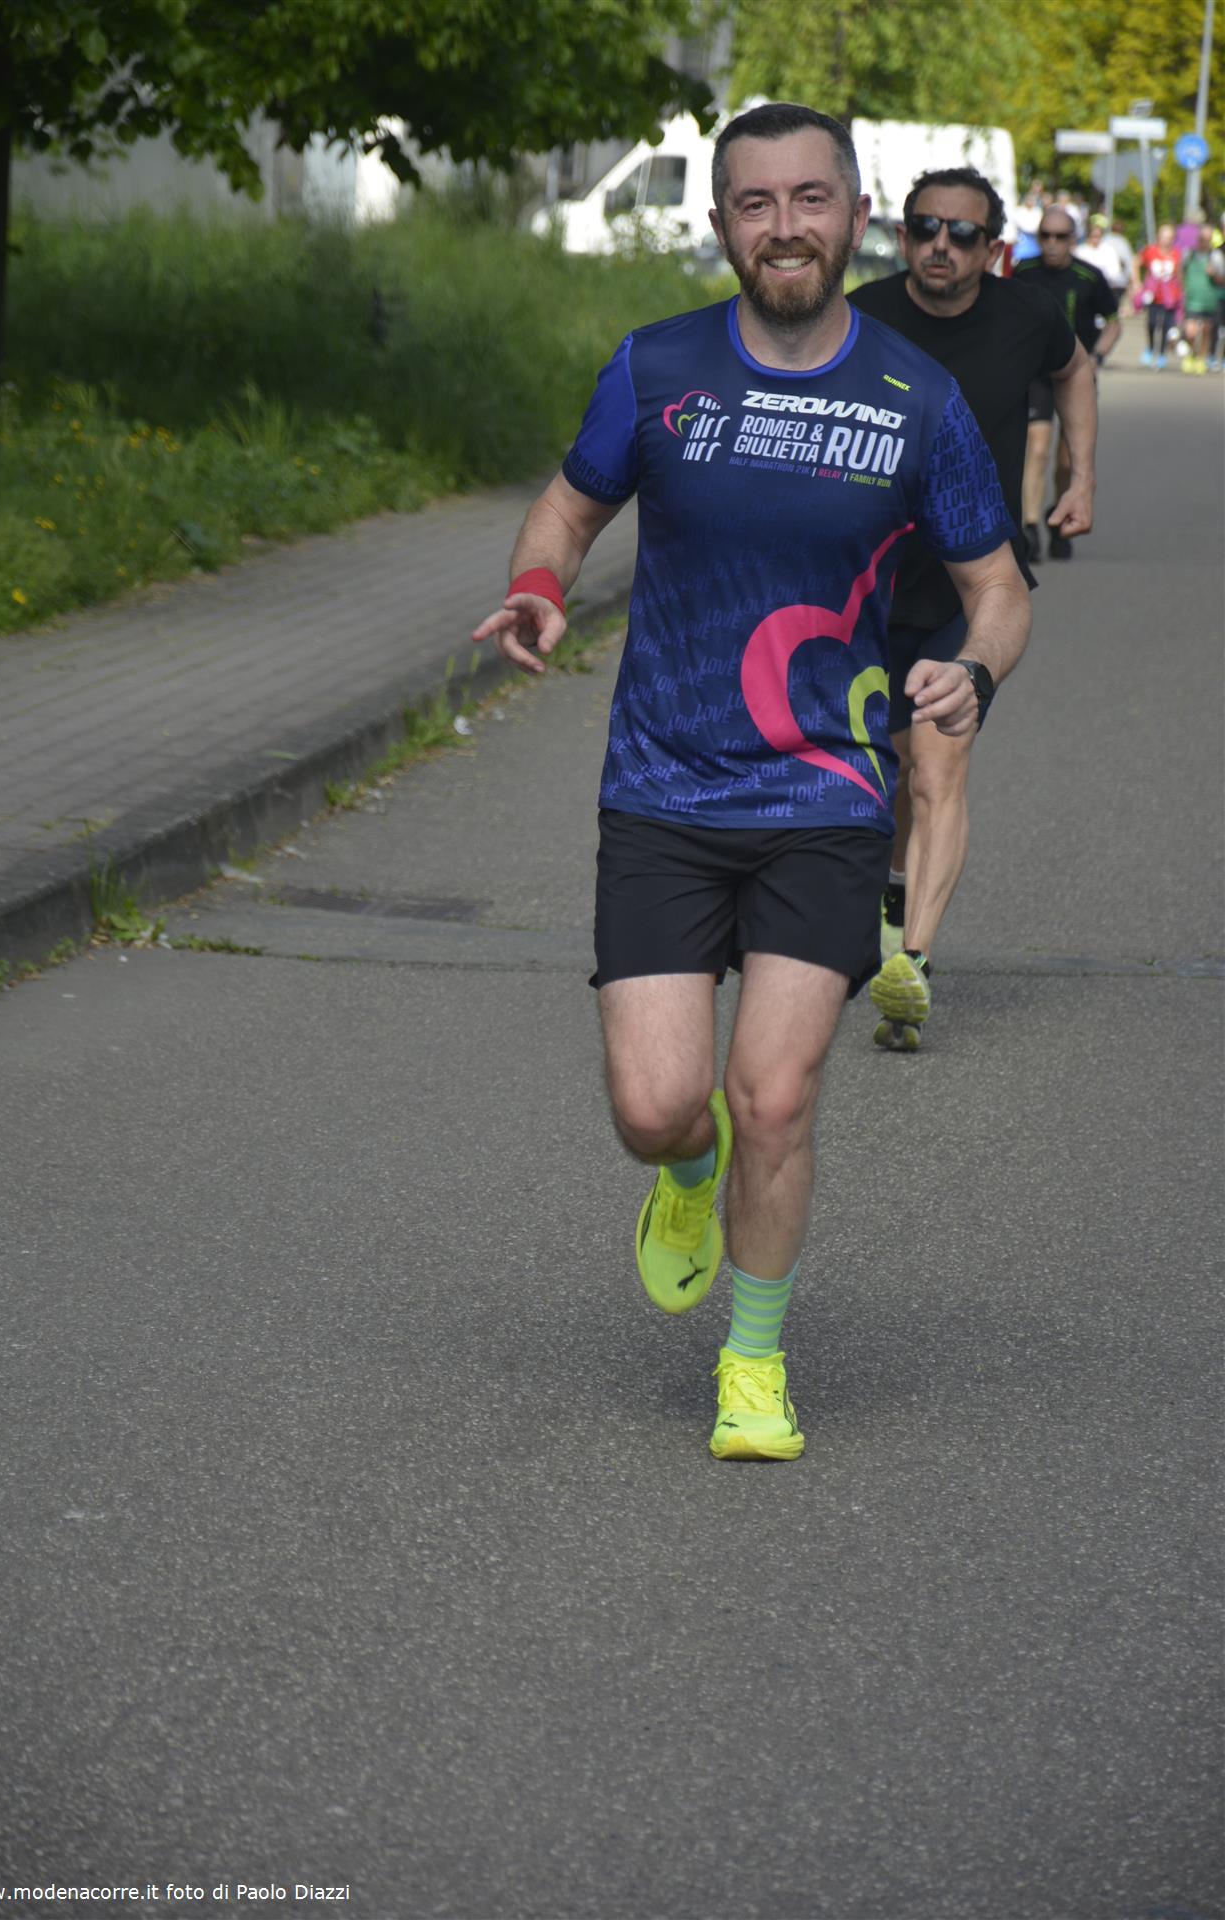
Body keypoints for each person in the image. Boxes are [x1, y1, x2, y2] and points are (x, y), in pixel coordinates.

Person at [472, 103, 1029, 1461]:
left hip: (825, 798)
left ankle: (755, 1362)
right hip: (662, 789)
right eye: (756, 203)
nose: (785, 227)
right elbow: (568, 507)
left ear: (855, 216)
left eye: (810, 199)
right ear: (721, 222)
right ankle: (687, 1170)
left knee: (775, 1092)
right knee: (657, 1105)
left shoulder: (915, 398)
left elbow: (997, 587)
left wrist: (973, 670)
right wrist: (539, 582)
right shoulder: (655, 366)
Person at [849, 169, 1097, 1050]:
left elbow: (1075, 370)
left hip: (972, 586)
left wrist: (1081, 476)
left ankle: (911, 963)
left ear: (992, 249)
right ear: (902, 235)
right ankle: (892, 892)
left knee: (936, 766)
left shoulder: (1028, 314)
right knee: (886, 774)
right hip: (871, 586)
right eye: (925, 228)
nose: (940, 246)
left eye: (961, 234)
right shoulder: (860, 318)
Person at [1014, 209, 1119, 558]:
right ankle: (1030, 528)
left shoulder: (1089, 276)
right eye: (1045, 235)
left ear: (1073, 240)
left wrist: (1097, 356)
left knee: (1066, 461)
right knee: (1037, 448)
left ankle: (1058, 515)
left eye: (1060, 237)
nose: (1052, 244)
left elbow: (1114, 322)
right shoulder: (1024, 272)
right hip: (1036, 374)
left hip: (1075, 376)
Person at [1134, 224, 1182, 368]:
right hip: (1153, 295)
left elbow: (1179, 274)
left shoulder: (1176, 254)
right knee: (1152, 323)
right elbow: (1136, 263)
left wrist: (1181, 292)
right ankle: (1150, 348)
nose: (1166, 241)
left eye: (1169, 238)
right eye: (1163, 237)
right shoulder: (1150, 251)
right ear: (1158, 237)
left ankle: (1161, 353)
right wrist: (1136, 283)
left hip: (1170, 297)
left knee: (1167, 325)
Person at [1180, 222, 1225, 373]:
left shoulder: (1215, 256)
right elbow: (1180, 272)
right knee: (1190, 331)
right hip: (1192, 298)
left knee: (1206, 330)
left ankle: (1201, 357)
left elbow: (1222, 279)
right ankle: (1192, 353)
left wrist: (1214, 274)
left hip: (1209, 299)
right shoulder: (1189, 254)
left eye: (1207, 239)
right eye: (1201, 239)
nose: (1203, 242)